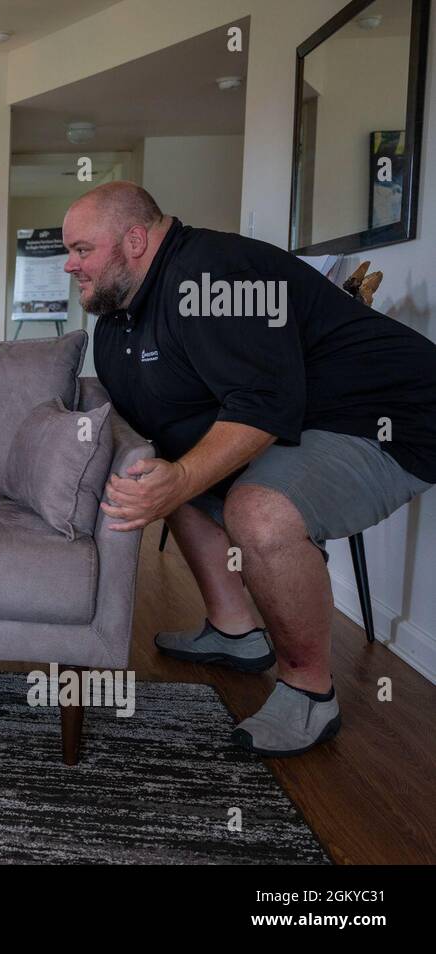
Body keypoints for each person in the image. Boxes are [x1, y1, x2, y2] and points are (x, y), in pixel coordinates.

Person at [62, 181, 436, 756]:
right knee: (166, 466)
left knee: (258, 512)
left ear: (134, 239)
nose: (70, 265)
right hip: (304, 419)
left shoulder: (216, 275)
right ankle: (234, 629)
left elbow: (262, 405)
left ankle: (310, 691)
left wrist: (184, 478)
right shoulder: (120, 315)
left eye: (82, 249)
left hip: (387, 417)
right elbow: (143, 419)